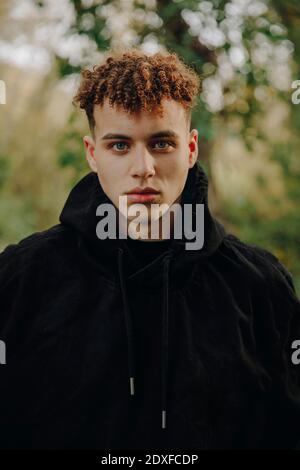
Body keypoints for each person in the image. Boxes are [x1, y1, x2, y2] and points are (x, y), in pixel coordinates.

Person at [0, 47, 300, 450]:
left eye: (161, 144)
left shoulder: (259, 286)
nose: (143, 167)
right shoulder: (21, 279)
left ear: (190, 149)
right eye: (119, 146)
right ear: (93, 154)